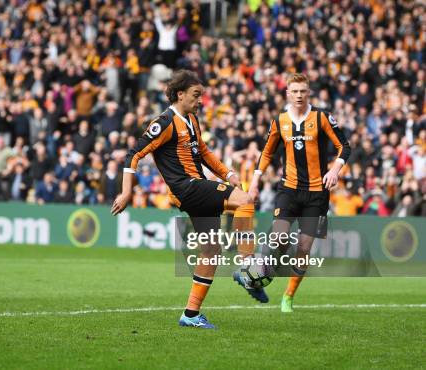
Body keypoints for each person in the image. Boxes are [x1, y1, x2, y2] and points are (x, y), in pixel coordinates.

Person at [111, 70, 263, 330]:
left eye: (201, 95)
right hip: (188, 188)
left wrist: (227, 173)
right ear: (179, 94)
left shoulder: (191, 118)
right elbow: (134, 155)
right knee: (245, 200)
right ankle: (248, 267)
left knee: (211, 250)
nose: (201, 100)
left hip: (195, 190)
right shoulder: (165, 122)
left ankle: (191, 314)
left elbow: (203, 151)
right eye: (196, 95)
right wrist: (127, 191)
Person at [248, 73, 351, 313]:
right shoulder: (279, 121)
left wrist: (335, 169)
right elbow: (266, 153)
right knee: (279, 238)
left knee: (304, 248)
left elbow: (344, 146)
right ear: (287, 93)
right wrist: (254, 181)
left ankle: (288, 296)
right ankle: (263, 275)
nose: (299, 95)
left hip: (317, 193)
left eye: (303, 91)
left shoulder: (322, 117)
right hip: (289, 189)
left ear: (308, 92)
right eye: (294, 91)